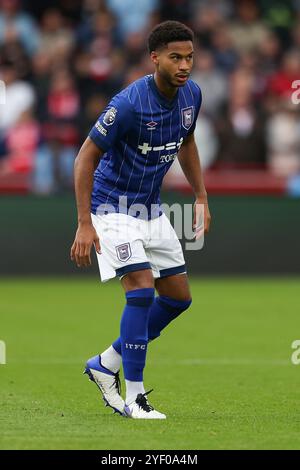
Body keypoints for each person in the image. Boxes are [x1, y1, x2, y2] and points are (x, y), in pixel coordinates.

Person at [70, 20, 211, 420]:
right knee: (141, 289)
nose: (184, 65)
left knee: (179, 298)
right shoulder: (129, 104)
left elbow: (187, 141)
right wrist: (85, 222)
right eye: (175, 57)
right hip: (112, 206)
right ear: (155, 58)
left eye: (189, 57)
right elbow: (84, 158)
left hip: (150, 207)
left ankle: (106, 363)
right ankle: (134, 397)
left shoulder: (191, 96)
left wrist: (200, 195)